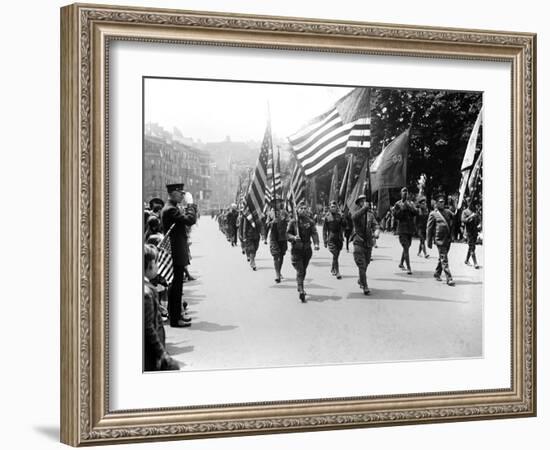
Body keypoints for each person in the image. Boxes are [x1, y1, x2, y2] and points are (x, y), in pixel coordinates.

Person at [160, 183, 197, 327]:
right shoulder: (170, 210)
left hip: (177, 251)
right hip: (175, 253)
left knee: (176, 287)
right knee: (175, 288)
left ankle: (176, 315)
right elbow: (190, 220)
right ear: (173, 193)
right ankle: (175, 319)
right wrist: (191, 204)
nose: (182, 195)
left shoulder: (172, 208)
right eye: (180, 193)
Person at [143, 244, 180, 371]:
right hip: (150, 354)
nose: (157, 266)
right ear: (149, 266)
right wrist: (162, 353)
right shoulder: (147, 293)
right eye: (156, 263)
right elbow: (149, 328)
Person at [287, 201, 320, 303]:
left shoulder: (310, 222)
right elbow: (287, 234)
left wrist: (316, 244)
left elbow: (314, 233)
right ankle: (301, 290)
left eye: (305, 208)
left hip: (307, 250)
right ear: (297, 210)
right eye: (301, 208)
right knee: (300, 270)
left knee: (303, 270)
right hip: (296, 250)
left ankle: (299, 284)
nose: (303, 210)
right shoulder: (293, 222)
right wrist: (293, 237)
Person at [351, 195, 379, 295]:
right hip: (358, 242)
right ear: (358, 204)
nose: (364, 202)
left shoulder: (370, 214)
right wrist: (363, 209)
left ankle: (361, 278)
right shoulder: (356, 213)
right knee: (362, 265)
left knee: (366, 263)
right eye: (361, 201)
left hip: (368, 243)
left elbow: (375, 224)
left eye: (365, 201)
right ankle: (365, 286)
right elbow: (354, 218)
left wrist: (376, 231)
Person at [427, 194, 455, 286]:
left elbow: (455, 215)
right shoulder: (433, 214)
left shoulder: (447, 212)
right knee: (444, 258)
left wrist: (455, 204)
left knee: (442, 257)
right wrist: (429, 241)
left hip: (447, 238)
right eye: (440, 202)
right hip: (439, 239)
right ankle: (449, 278)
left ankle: (437, 273)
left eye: (443, 202)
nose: (442, 203)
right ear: (436, 203)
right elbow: (429, 228)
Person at [392, 187, 418, 274]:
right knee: (406, 248)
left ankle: (401, 263)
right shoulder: (397, 204)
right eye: (403, 192)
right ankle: (409, 267)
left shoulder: (411, 203)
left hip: (410, 229)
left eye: (406, 192)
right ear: (401, 194)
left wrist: (409, 207)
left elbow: (416, 212)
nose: (405, 193)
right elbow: (395, 215)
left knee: (407, 246)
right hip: (402, 229)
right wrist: (402, 210)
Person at [265, 204, 289, 283]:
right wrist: (272, 222)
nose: (277, 204)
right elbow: (267, 225)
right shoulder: (270, 213)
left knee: (281, 255)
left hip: (282, 237)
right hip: (274, 238)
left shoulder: (284, 213)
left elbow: (290, 222)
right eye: (275, 203)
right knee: (276, 255)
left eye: (278, 203)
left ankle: (279, 270)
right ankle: (277, 275)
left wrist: (284, 219)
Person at [322, 200, 345, 279]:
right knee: (335, 254)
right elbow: (324, 230)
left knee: (336, 255)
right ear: (329, 207)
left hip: (339, 238)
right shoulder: (327, 217)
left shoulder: (340, 216)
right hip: (331, 238)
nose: (333, 208)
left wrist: (343, 218)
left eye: (334, 207)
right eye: (332, 207)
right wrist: (325, 241)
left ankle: (333, 268)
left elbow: (345, 225)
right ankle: (337, 271)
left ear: (336, 208)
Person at [461, 198, 481, 269]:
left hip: (475, 232)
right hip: (468, 232)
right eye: (469, 202)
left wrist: (479, 224)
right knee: (472, 247)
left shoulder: (475, 211)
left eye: (471, 202)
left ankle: (466, 260)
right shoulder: (465, 212)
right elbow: (463, 220)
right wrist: (470, 217)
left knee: (472, 247)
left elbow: (479, 220)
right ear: (467, 203)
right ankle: (475, 263)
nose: (470, 203)